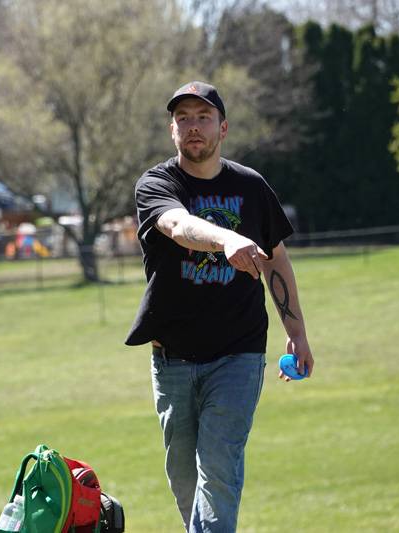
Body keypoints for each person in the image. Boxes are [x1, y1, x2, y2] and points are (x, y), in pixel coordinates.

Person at [125, 81, 315, 532]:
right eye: (183, 118)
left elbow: (277, 260)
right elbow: (177, 224)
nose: (193, 127)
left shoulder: (251, 187)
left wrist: (298, 332)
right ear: (172, 130)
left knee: (219, 469)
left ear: (223, 128)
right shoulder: (156, 184)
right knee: (184, 478)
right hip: (171, 356)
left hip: (238, 354)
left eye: (203, 117)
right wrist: (226, 237)